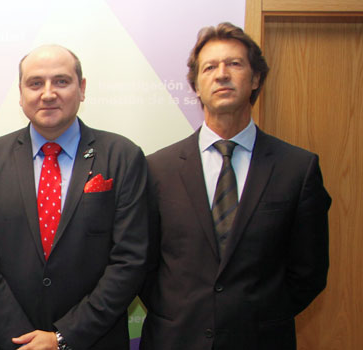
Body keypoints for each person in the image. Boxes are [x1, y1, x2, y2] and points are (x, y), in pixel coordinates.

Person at [140, 22, 331, 350]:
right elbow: (143, 265)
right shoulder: (157, 168)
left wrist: (257, 314)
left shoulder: (297, 169)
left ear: (256, 79)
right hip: (174, 340)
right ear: (196, 86)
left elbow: (309, 271)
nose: (222, 74)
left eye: (235, 64)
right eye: (210, 67)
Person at [0, 45, 149, 350]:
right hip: (5, 342)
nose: (48, 94)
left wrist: (63, 337)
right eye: (35, 83)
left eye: (61, 81)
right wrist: (21, 341)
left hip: (92, 340)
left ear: (82, 88)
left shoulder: (122, 156)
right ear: (21, 93)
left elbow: (130, 261)